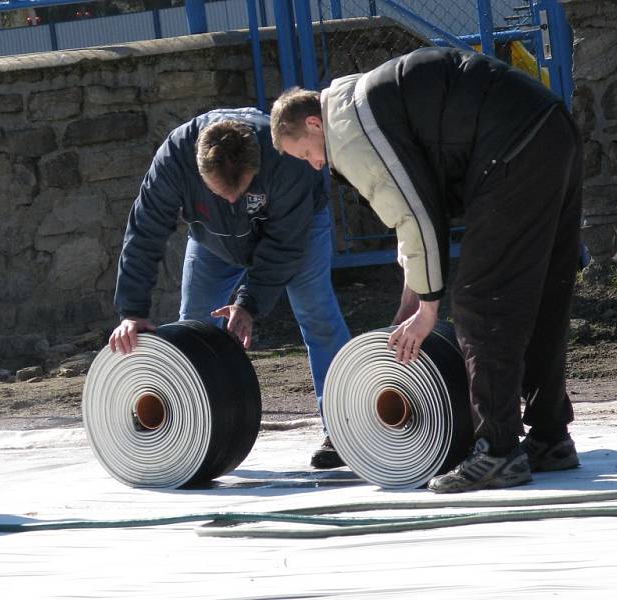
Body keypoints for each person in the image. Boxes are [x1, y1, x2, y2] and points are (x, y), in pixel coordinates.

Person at [270, 47, 583, 492]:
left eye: (304, 153)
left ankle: (498, 451)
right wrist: (412, 296)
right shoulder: (364, 103)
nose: (315, 165)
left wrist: (429, 309)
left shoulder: (348, 132)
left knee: (480, 302)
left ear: (313, 124)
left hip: (511, 146)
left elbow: (414, 216)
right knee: (542, 294)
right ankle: (550, 437)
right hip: (551, 127)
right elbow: (417, 214)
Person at [109, 107, 351, 468]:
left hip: (295, 229)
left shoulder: (286, 158)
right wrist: (132, 312)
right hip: (213, 240)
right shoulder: (175, 158)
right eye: (223, 194)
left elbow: (284, 246)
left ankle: (343, 428)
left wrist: (248, 303)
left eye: (242, 191)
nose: (235, 202)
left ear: (258, 165)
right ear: (198, 171)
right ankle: (187, 426)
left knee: (316, 312)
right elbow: (145, 232)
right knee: (192, 324)